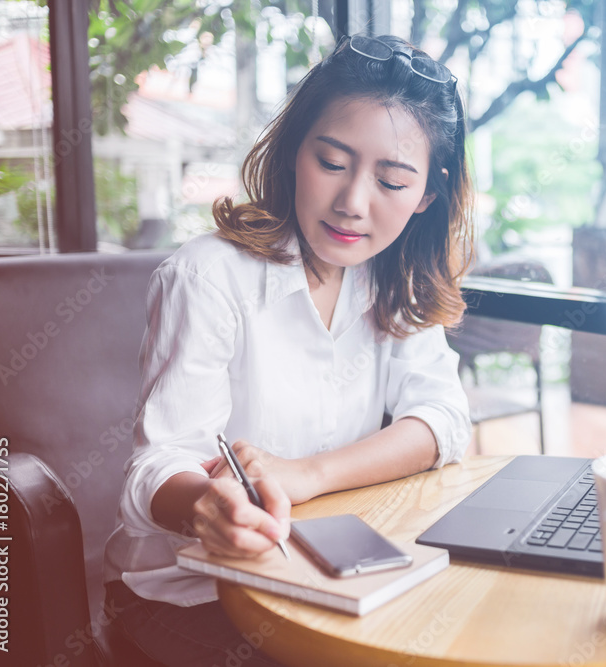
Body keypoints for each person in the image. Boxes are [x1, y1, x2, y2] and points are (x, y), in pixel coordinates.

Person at [103, 33, 474, 666]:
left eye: (391, 181)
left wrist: (307, 474)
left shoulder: (394, 279)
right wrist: (203, 507)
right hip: (192, 596)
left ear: (427, 198)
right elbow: (155, 466)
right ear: (293, 152)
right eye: (331, 162)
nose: (353, 204)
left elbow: (444, 422)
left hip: (326, 578)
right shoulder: (208, 277)